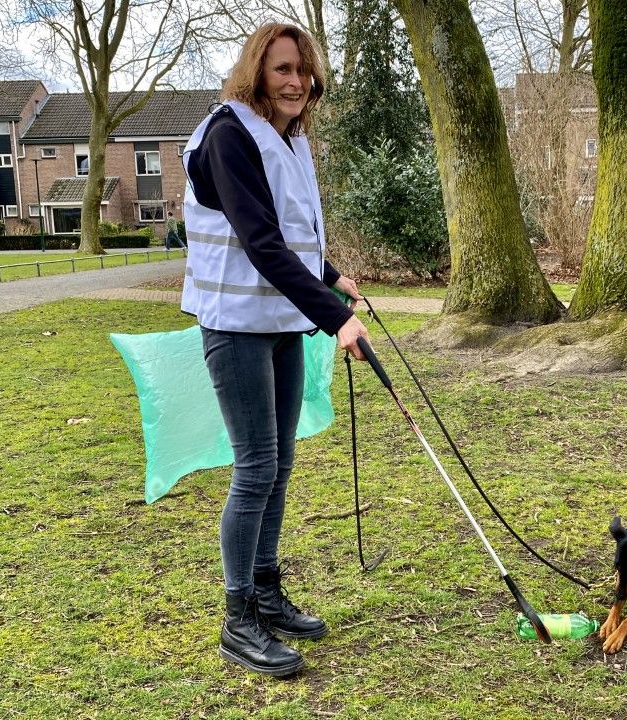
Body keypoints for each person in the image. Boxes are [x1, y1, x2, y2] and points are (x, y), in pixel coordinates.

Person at [179, 22, 370, 678]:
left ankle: (265, 592)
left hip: (279, 320)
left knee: (280, 464)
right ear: (257, 71)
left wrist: (328, 276)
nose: (296, 82)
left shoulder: (288, 139)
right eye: (282, 69)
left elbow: (289, 237)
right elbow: (259, 243)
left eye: (303, 71)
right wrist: (336, 319)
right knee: (256, 467)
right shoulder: (229, 136)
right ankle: (238, 621)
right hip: (233, 324)